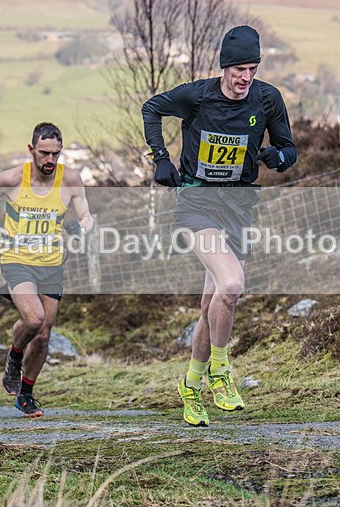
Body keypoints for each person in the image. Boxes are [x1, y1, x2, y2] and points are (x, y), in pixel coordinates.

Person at [141, 25, 297, 426]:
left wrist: (278, 157)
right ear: (225, 67)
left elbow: (288, 149)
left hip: (239, 207)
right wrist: (161, 158)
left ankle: (191, 385)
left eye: (252, 69)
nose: (246, 77)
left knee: (213, 306)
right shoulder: (198, 96)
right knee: (231, 285)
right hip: (197, 203)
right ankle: (221, 371)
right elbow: (151, 108)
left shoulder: (267, 98)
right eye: (239, 69)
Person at [0, 122, 93, 418]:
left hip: (51, 264)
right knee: (34, 319)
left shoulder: (71, 180)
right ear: (32, 150)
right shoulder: (13, 178)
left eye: (55, 153)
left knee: (42, 335)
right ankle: (14, 358)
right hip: (16, 260)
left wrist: (80, 227)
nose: (50, 160)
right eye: (44, 153)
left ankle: (25, 395)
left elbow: (86, 216)